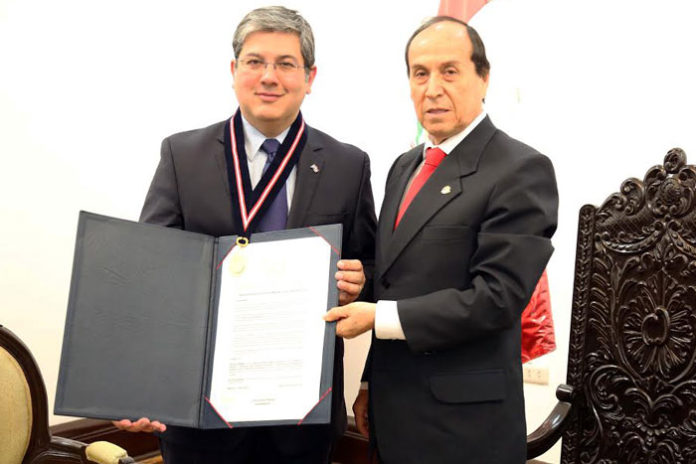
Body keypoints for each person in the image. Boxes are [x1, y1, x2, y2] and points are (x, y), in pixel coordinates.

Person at [113, 6, 377, 464]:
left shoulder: (348, 165)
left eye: (286, 63)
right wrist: (140, 381)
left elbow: (372, 267)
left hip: (302, 418)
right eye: (255, 62)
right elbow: (150, 276)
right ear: (234, 70)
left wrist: (359, 282)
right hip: (200, 412)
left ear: (310, 77)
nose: (269, 77)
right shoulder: (183, 155)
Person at [324, 17, 558, 464]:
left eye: (449, 71)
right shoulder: (404, 166)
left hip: (464, 430)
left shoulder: (520, 169)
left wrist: (376, 316)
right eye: (420, 73)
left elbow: (497, 298)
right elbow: (394, 284)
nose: (432, 89)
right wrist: (369, 377)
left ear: (483, 77)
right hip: (392, 415)